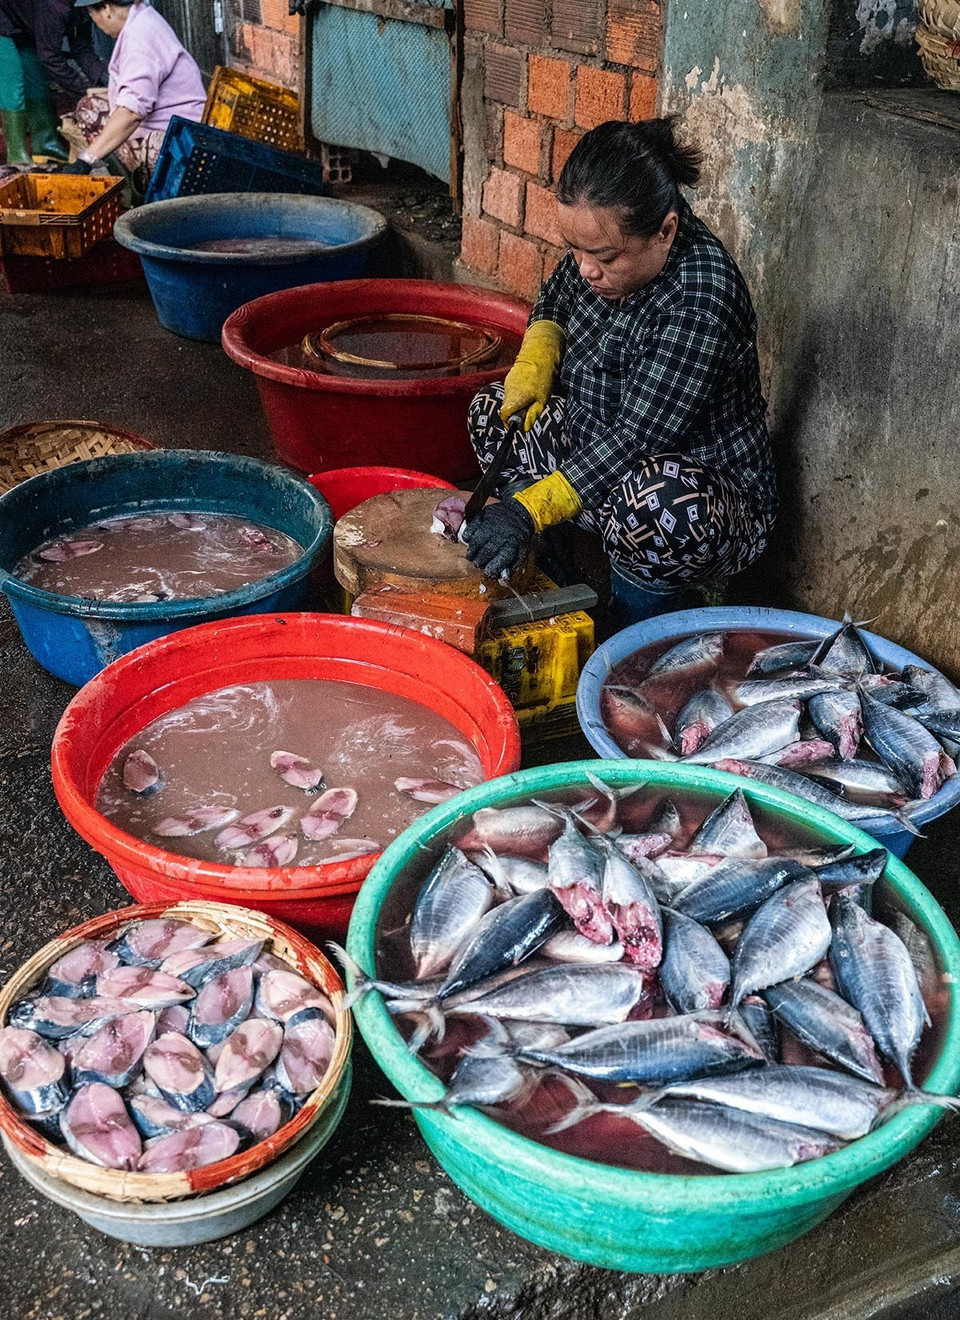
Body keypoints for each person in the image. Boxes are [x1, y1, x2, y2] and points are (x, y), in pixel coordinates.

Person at [463, 118, 778, 625]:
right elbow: (557, 296)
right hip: (603, 458)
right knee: (493, 412)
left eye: (603, 256)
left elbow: (636, 439)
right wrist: (537, 354)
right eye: (575, 249)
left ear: (665, 230)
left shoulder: (701, 297)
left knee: (656, 503)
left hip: (694, 495)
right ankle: (557, 577)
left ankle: (636, 621)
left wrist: (526, 510)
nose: (586, 268)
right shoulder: (596, 252)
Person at [62, 0, 205, 188]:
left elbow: (132, 113)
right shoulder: (140, 18)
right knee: (90, 108)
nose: (94, 20)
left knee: (142, 139)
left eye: (91, 13)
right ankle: (128, 187)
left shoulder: (140, 38)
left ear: (106, 9)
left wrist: (85, 161)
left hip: (184, 139)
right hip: (161, 124)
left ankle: (143, 192)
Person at [0, 0, 104, 164]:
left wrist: (104, 82)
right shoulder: (55, 6)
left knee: (37, 81)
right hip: (4, 17)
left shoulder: (88, 6)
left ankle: (45, 143)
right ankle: (17, 156)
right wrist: (85, 94)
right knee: (13, 81)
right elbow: (51, 58)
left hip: (25, 20)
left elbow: (81, 47)